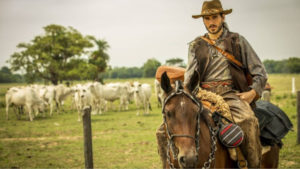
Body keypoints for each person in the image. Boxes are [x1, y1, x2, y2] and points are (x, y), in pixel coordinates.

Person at [156, 0, 267, 168]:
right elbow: (190, 77)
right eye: (207, 18)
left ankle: (253, 165)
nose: (211, 22)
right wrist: (187, 94)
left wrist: (252, 93)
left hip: (230, 94)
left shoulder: (237, 41)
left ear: (222, 17)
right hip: (201, 94)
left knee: (247, 120)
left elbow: (260, 72)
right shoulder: (196, 45)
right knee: (161, 131)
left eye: (214, 17)